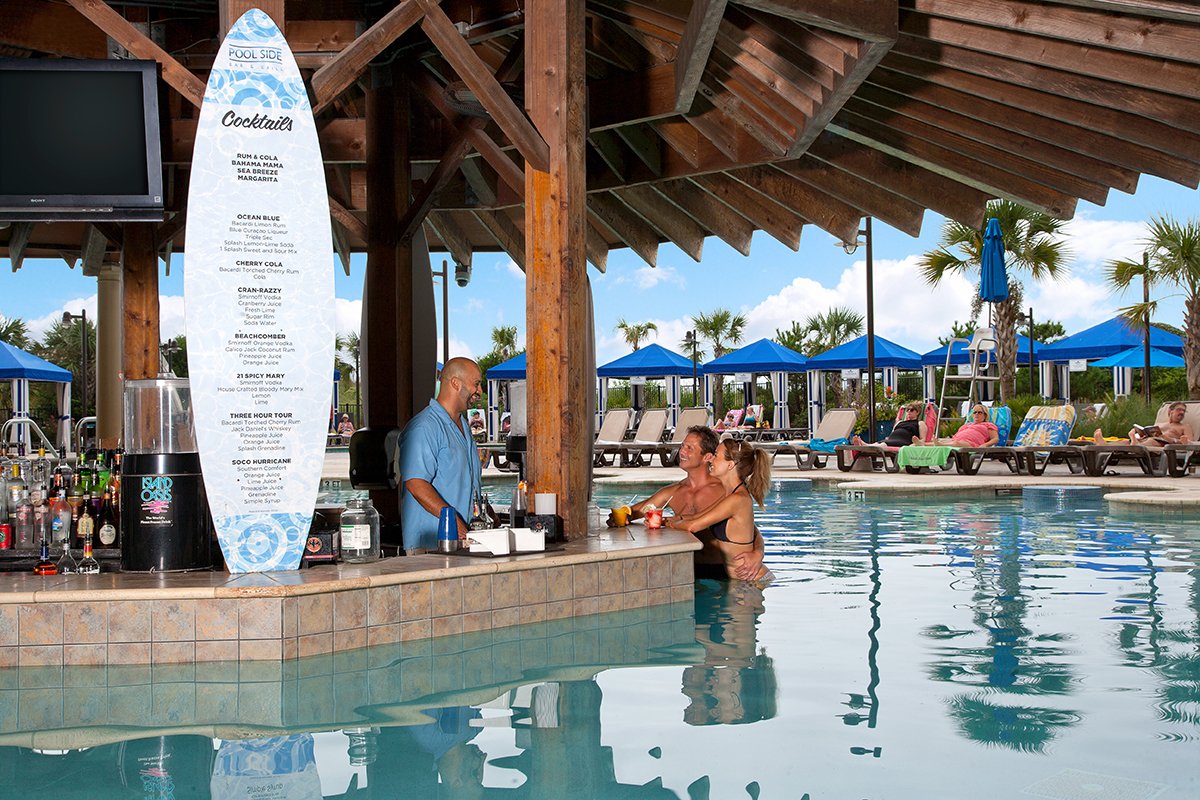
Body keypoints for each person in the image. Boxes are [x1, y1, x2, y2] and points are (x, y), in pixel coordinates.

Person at [608, 425, 764, 580]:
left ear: (707, 457)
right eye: (683, 446)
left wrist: (758, 553)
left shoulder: (726, 490)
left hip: (725, 571)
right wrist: (619, 516)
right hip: (691, 568)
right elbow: (635, 511)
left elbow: (751, 530)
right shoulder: (672, 492)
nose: (682, 452)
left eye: (689, 448)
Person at [398, 357, 489, 553]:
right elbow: (416, 483)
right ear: (455, 383)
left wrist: (488, 515)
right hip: (430, 546)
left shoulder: (464, 426)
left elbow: (469, 485)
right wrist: (455, 523)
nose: (480, 391)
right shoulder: (424, 427)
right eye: (476, 384)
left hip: (460, 543)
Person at [665, 438, 774, 586]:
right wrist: (666, 520)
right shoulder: (730, 494)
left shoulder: (738, 499)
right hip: (742, 581)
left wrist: (668, 524)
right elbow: (696, 517)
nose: (711, 460)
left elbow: (693, 526)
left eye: (716, 455)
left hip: (753, 581)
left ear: (730, 465)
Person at [1095, 401, 1193, 445]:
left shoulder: (1184, 427)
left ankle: (1136, 444)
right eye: (1179, 410)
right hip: (1147, 440)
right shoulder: (1160, 424)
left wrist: (1179, 441)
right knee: (1125, 441)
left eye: (1184, 411)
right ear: (1170, 411)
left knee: (1151, 441)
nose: (1182, 412)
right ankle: (1105, 444)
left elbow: (1191, 442)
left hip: (1164, 444)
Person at [913, 404, 999, 447]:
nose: (976, 414)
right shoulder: (968, 424)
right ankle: (922, 444)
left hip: (973, 444)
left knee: (956, 443)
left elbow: (995, 439)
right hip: (958, 439)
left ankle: (940, 445)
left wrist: (985, 445)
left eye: (979, 412)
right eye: (974, 412)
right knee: (944, 440)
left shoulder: (988, 425)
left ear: (985, 415)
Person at [850, 401, 926, 447]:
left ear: (917, 412)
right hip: (892, 439)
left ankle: (866, 445)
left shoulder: (920, 423)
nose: (909, 412)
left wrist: (917, 442)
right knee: (881, 442)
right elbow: (893, 432)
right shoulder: (900, 422)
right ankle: (867, 445)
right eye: (907, 410)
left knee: (883, 444)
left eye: (911, 410)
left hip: (904, 441)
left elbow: (923, 439)